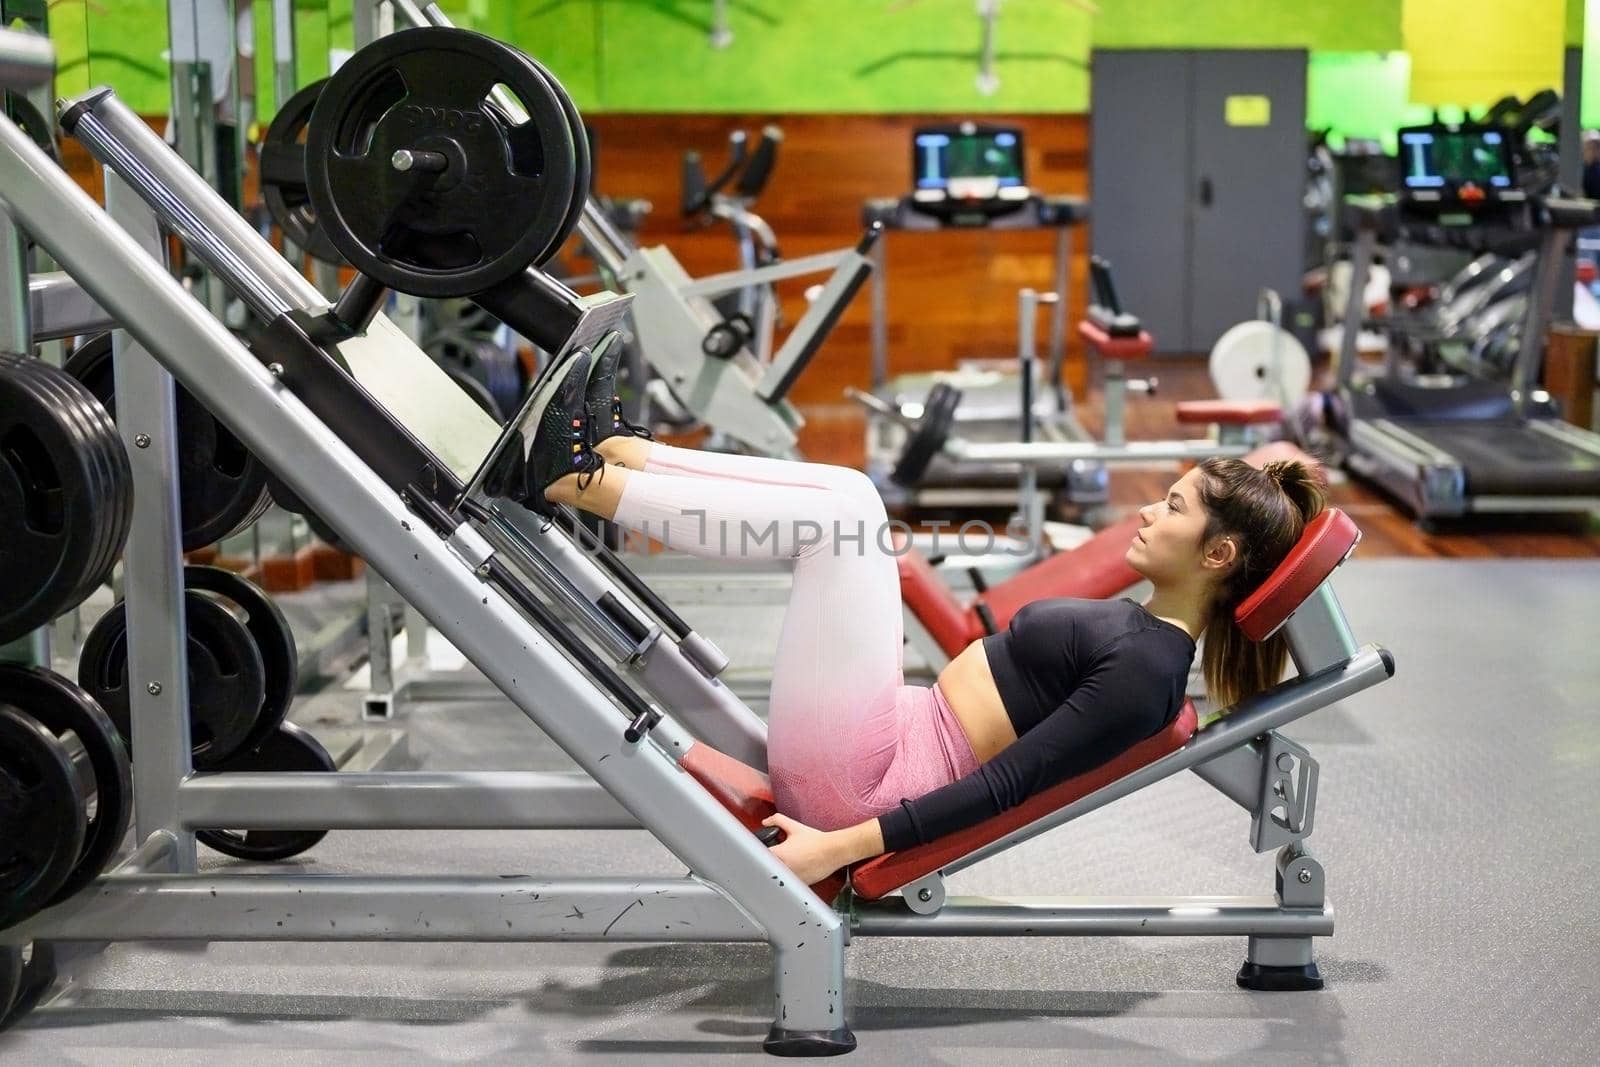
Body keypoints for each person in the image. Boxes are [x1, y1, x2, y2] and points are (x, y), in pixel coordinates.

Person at [520, 341, 1326, 885]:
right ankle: (620, 457)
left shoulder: (1149, 673)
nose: (1148, 513)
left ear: (1217, 555)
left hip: (862, 782)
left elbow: (1008, 785)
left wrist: (834, 848)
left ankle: (579, 482)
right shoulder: (1146, 637)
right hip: (886, 740)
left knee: (844, 514)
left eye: (1175, 507)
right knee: (846, 494)